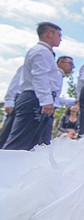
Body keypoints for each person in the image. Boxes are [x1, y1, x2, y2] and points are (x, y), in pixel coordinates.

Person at [3, 22, 62, 150]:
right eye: (58, 35)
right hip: (34, 98)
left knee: (35, 142)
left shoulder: (43, 51)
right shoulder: (41, 51)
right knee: (20, 141)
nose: (60, 38)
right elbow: (40, 76)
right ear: (48, 34)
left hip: (36, 97)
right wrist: (46, 100)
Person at [0, 66, 23, 148]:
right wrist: (9, 101)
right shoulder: (27, 66)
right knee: (8, 131)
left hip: (33, 104)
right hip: (18, 101)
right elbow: (14, 84)